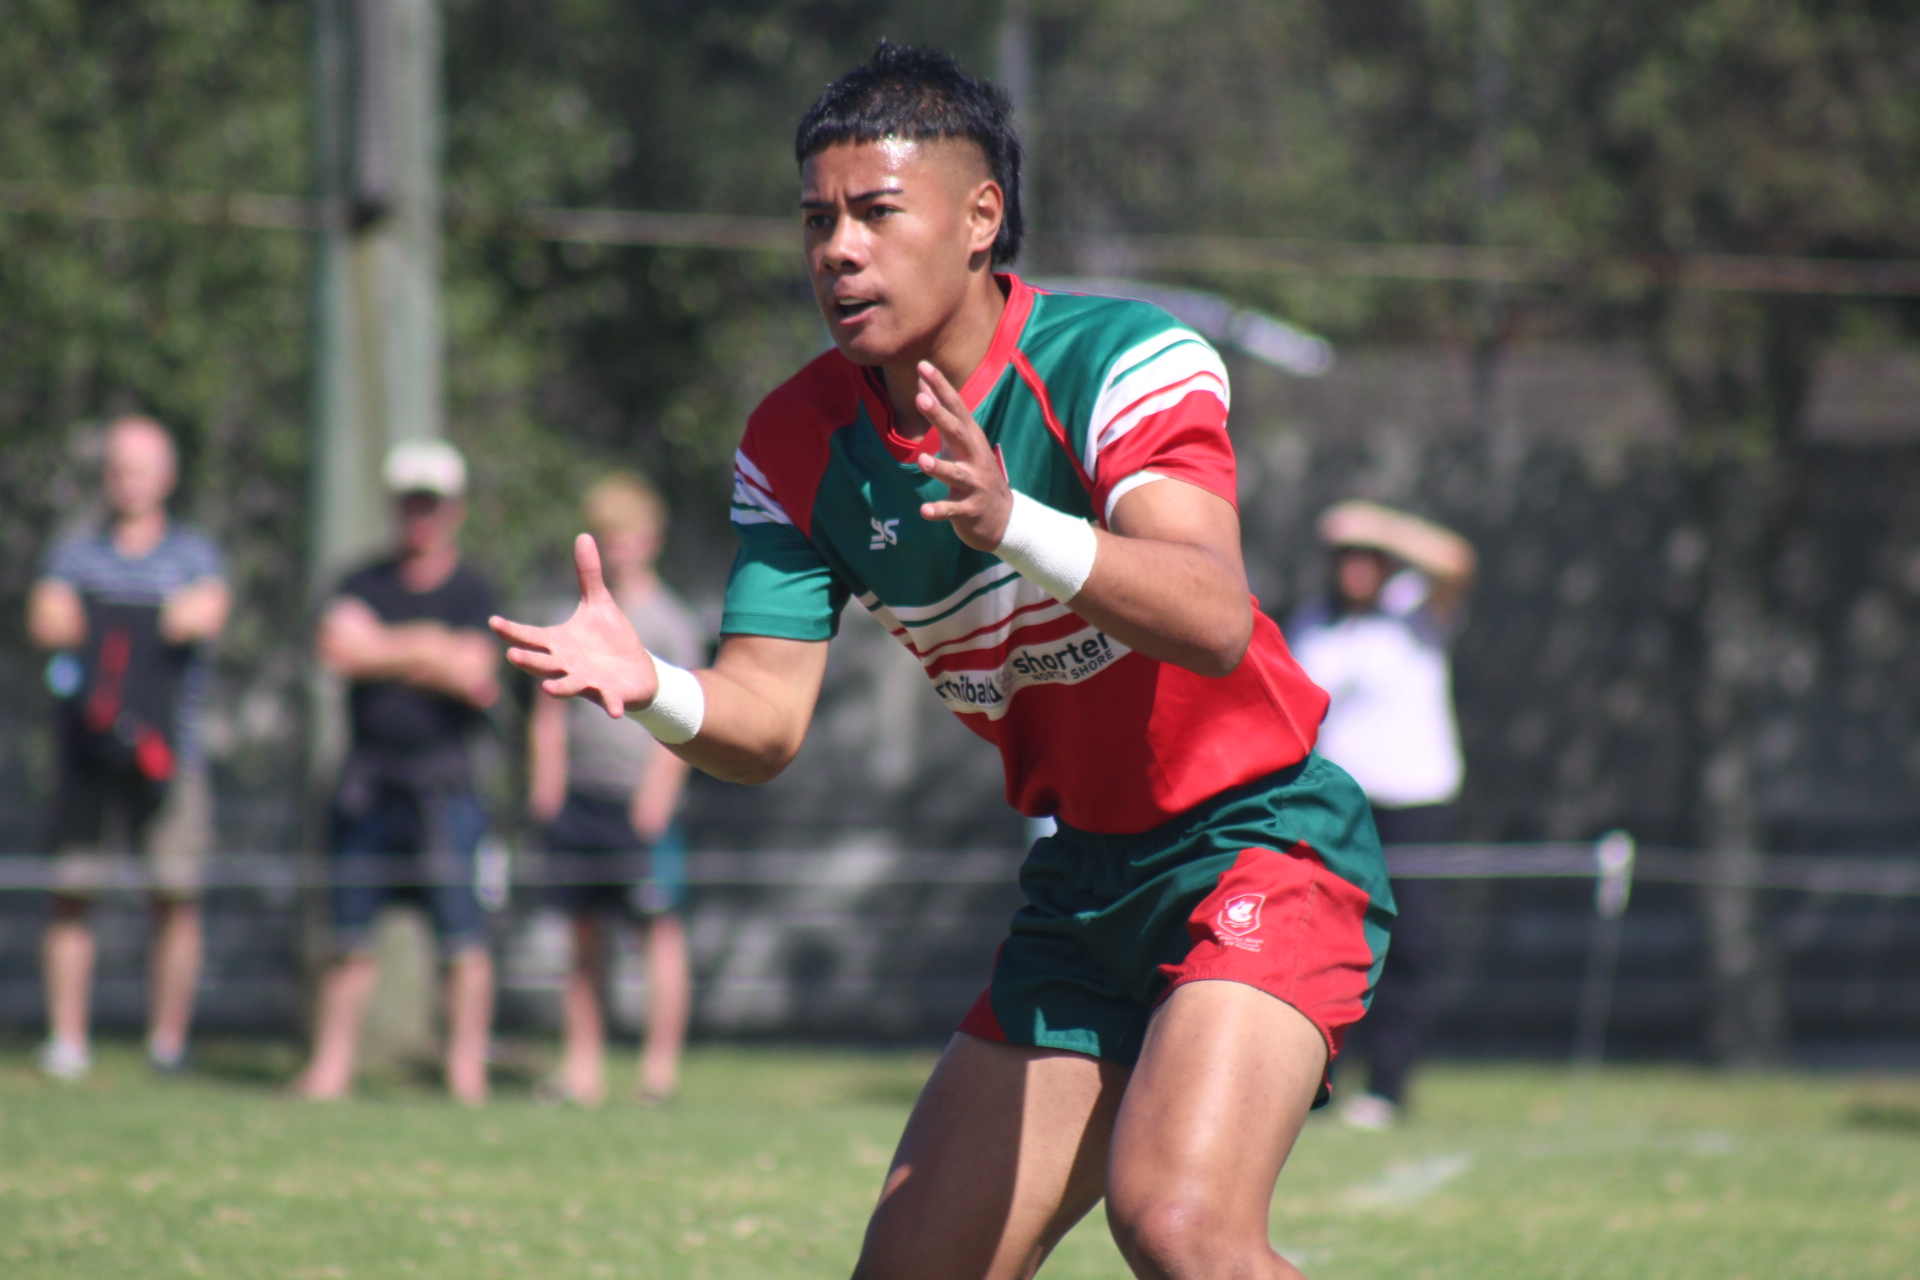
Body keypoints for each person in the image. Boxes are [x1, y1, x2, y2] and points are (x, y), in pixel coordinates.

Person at [492, 43, 1392, 1280]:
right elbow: (764, 721)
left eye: (875, 212)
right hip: (1084, 882)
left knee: (1181, 1225)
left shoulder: (1122, 357)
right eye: (817, 220)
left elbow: (1212, 612)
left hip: (1259, 836)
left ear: (980, 217)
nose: (838, 250)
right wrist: (654, 687)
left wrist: (1016, 520)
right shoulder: (795, 438)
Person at [293, 439, 501, 1104]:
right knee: (348, 938)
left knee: (462, 940)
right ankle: (330, 1070)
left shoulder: (475, 591)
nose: (421, 516)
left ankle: (465, 1073)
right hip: (368, 785)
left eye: (432, 504)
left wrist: (380, 646)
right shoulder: (359, 581)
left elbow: (476, 675)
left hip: (446, 786)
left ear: (455, 509)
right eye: (411, 503)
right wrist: (431, 648)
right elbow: (337, 652)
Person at [30, 415, 230, 1080]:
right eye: (118, 467)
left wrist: (104, 619)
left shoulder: (194, 553)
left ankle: (167, 1044)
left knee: (174, 895)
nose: (128, 480)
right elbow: (47, 619)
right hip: (85, 753)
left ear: (167, 477)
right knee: (71, 891)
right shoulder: (75, 551)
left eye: (141, 468)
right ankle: (67, 1041)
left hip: (170, 753)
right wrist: (146, 619)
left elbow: (206, 612)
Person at [1286, 499, 1475, 1131]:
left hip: (1413, 804)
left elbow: (1457, 562)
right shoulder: (1313, 623)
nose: (1356, 568)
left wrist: (1374, 522)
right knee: (1325, 943)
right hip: (1338, 806)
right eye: (1346, 557)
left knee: (1406, 944)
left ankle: (1387, 1086)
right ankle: (1315, 1080)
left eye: (1369, 557)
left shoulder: (1415, 609)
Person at [528, 472, 703, 1107]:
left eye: (628, 535)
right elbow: (548, 711)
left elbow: (691, 714)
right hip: (583, 799)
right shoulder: (570, 616)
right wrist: (546, 785)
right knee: (582, 937)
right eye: (608, 536)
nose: (618, 547)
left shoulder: (670, 621)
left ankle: (658, 1074)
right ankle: (582, 1069)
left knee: (659, 934)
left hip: (642, 805)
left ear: (652, 539)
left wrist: (657, 795)